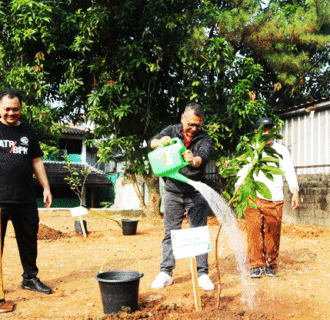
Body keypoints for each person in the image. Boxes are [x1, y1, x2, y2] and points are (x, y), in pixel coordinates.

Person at [148, 103, 214, 290]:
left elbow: (203, 157)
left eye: (198, 125)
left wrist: (193, 160)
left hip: (195, 190)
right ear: (182, 119)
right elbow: (151, 142)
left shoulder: (204, 138)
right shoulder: (172, 130)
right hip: (173, 190)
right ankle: (166, 273)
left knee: (199, 232)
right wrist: (160, 142)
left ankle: (202, 274)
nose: (194, 129)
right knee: (170, 232)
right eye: (191, 124)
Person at [0, 89, 53, 294]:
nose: (11, 113)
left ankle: (30, 278)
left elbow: (36, 160)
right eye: (7, 109)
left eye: (15, 109)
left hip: (25, 197)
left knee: (29, 240)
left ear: (21, 108)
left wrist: (46, 187)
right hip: (0, 198)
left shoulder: (28, 131)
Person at [235, 117, 300, 278]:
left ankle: (271, 263)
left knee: (273, 233)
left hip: (275, 198)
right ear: (256, 132)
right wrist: (238, 186)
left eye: (270, 129)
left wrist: (295, 191)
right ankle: (256, 265)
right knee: (254, 232)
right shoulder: (250, 149)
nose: (268, 133)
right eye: (264, 130)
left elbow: (289, 171)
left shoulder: (281, 150)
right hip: (252, 197)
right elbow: (243, 170)